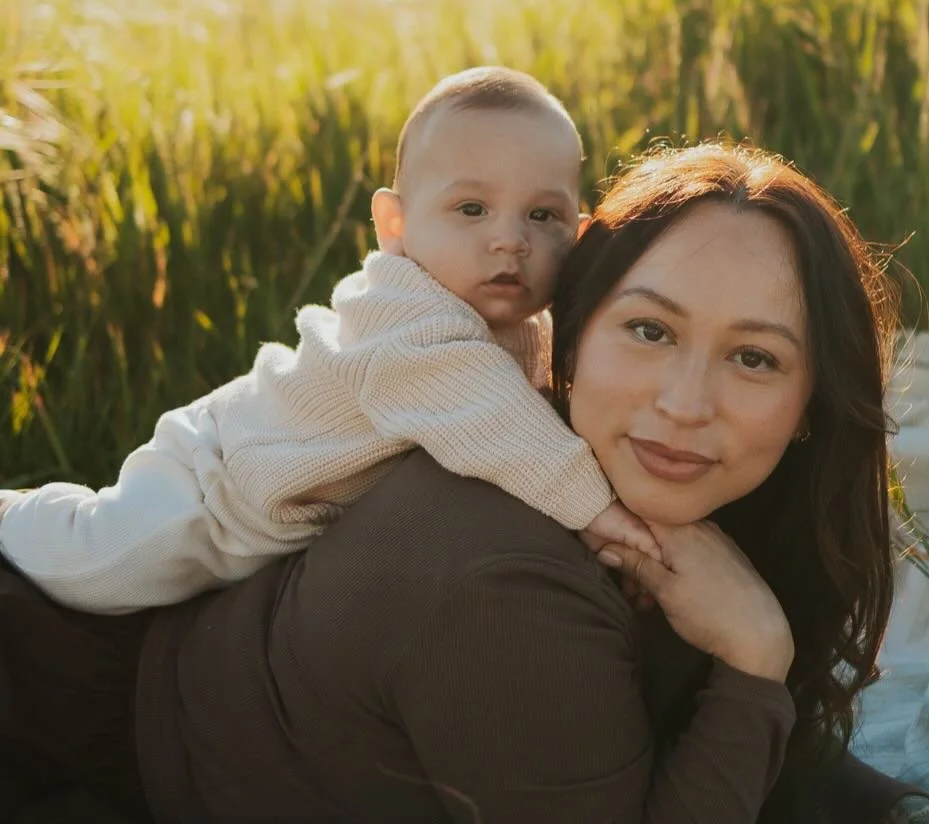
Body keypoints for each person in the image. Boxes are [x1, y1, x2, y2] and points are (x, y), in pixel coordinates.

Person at [0, 142, 929, 824]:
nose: (684, 403)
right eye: (648, 330)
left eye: (753, 357)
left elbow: (695, 739)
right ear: (572, 337)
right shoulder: (504, 572)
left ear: (810, 403)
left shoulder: (647, 506)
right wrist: (752, 656)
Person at [0, 67, 654, 615]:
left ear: (581, 230)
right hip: (221, 485)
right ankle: (14, 519)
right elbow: (492, 413)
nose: (510, 239)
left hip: (295, 488)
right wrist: (598, 510)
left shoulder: (529, 325)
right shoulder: (405, 315)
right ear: (394, 223)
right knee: (101, 567)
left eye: (542, 216)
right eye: (471, 210)